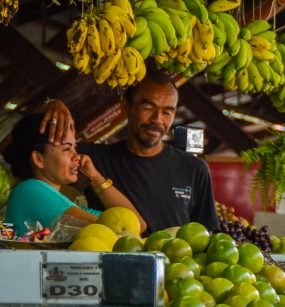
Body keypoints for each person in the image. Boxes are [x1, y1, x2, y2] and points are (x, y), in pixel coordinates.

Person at [40, 70, 218, 234]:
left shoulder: (194, 169)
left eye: (167, 112)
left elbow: (207, 234)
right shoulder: (93, 158)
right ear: (125, 107)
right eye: (148, 108)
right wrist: (50, 104)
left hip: (174, 268)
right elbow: (32, 148)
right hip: (108, 266)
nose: (158, 120)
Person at [3, 113, 145, 236]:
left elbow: (137, 225)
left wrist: (96, 178)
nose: (77, 156)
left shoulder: (63, 201)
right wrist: (50, 101)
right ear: (38, 159)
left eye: (74, 147)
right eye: (66, 149)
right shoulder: (30, 190)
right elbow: (118, 232)